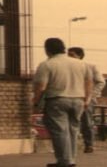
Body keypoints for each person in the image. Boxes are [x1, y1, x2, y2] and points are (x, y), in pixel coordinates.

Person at [32, 38, 92, 167]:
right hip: (78, 100)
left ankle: (65, 161)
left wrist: (35, 102)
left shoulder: (47, 64)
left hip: (57, 100)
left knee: (60, 131)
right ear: (63, 48)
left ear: (47, 50)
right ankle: (71, 158)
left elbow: (41, 86)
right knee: (73, 130)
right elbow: (88, 82)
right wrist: (87, 99)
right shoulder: (81, 64)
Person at [67, 47, 105, 153]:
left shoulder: (90, 66)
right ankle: (70, 146)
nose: (69, 57)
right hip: (71, 97)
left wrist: (91, 96)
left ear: (80, 56)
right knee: (70, 122)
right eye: (68, 55)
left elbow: (101, 82)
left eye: (72, 55)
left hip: (86, 98)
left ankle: (89, 144)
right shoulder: (67, 67)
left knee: (86, 121)